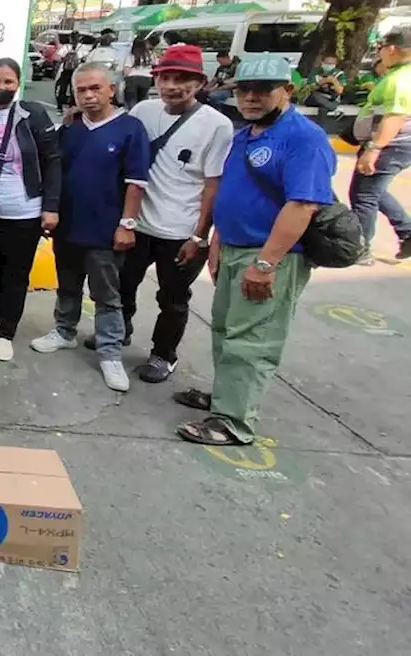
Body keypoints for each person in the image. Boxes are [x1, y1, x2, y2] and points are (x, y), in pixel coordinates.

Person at [174, 55, 336, 446]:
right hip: (234, 247)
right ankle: (225, 396)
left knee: (253, 338)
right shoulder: (247, 134)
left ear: (288, 90)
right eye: (244, 90)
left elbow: (302, 205)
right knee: (227, 329)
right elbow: (231, 192)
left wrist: (265, 264)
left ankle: (233, 421)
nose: (251, 97)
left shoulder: (303, 138)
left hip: (270, 255)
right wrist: (215, 240)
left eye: (263, 90)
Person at [115, 44, 233, 383]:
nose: (172, 86)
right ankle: (119, 331)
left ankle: (163, 355)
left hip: (181, 231)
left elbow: (213, 184)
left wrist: (200, 235)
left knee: (173, 298)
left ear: (199, 83)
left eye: (182, 79)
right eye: (166, 78)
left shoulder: (217, 125)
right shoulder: (143, 111)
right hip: (138, 225)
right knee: (123, 284)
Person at [31, 64, 150, 393]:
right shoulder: (69, 128)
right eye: (81, 89)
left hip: (105, 229)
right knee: (67, 284)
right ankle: (64, 331)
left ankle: (110, 351)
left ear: (111, 89)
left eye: (95, 88)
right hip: (67, 224)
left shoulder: (130, 129)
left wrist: (127, 224)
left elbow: (136, 183)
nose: (88, 95)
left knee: (106, 294)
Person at [0, 58, 61, 361]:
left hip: (26, 210)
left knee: (16, 274)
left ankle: (7, 330)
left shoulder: (32, 115)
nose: (1, 87)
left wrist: (51, 207)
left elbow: (53, 159)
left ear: (17, 83)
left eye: (8, 82)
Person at [350, 31, 411, 263]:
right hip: (394, 144)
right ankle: (407, 231)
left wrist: (374, 149)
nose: (379, 52)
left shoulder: (401, 80)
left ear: (392, 48)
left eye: (381, 47)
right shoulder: (399, 74)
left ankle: (360, 249)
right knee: (375, 190)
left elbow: (395, 117)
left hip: (391, 145)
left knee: (364, 194)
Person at [122, 37, 154, 108]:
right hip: (147, 78)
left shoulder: (131, 55)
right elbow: (156, 63)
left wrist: (124, 78)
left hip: (133, 78)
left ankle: (132, 113)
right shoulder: (150, 55)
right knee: (143, 99)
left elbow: (127, 70)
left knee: (131, 99)